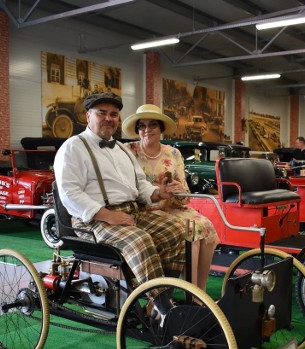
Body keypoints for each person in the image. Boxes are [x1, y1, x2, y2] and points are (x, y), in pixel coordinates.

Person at [53, 92, 186, 286]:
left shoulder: (123, 150)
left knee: (176, 231)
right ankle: (163, 305)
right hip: (93, 221)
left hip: (131, 212)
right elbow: (70, 193)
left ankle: (160, 293)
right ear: (88, 116)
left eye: (114, 114)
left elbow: (139, 182)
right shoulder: (73, 147)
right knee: (139, 241)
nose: (109, 118)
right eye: (102, 113)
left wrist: (158, 193)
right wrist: (107, 215)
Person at [123, 104, 220, 292]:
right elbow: (128, 189)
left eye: (152, 125)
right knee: (191, 230)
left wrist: (177, 190)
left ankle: (201, 290)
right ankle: (191, 293)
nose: (146, 130)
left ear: (161, 128)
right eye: (142, 126)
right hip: (145, 210)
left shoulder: (173, 153)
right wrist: (158, 189)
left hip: (173, 208)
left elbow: (184, 193)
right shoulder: (128, 151)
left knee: (206, 225)